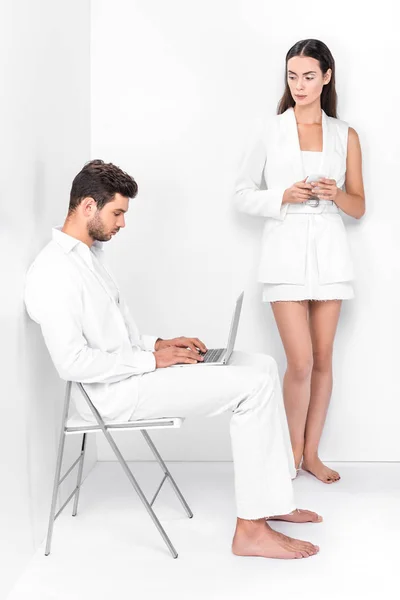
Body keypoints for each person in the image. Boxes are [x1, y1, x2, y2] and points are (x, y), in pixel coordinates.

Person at [24, 159, 322, 560]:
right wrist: (153, 361)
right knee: (252, 389)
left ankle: (274, 499)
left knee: (263, 365)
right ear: (88, 207)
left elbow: (117, 338)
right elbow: (72, 364)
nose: (122, 224)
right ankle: (251, 531)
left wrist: (163, 344)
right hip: (110, 394)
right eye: (117, 213)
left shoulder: (89, 256)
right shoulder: (54, 270)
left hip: (131, 374)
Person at [234, 39, 365, 484]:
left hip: (330, 255)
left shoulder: (344, 134)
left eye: (309, 76)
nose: (300, 85)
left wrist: (336, 194)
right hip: (284, 257)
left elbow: (359, 206)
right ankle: (289, 451)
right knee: (301, 362)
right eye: (292, 76)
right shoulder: (270, 131)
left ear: (327, 76)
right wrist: (282, 196)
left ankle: (311, 453)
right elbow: (241, 194)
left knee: (324, 359)